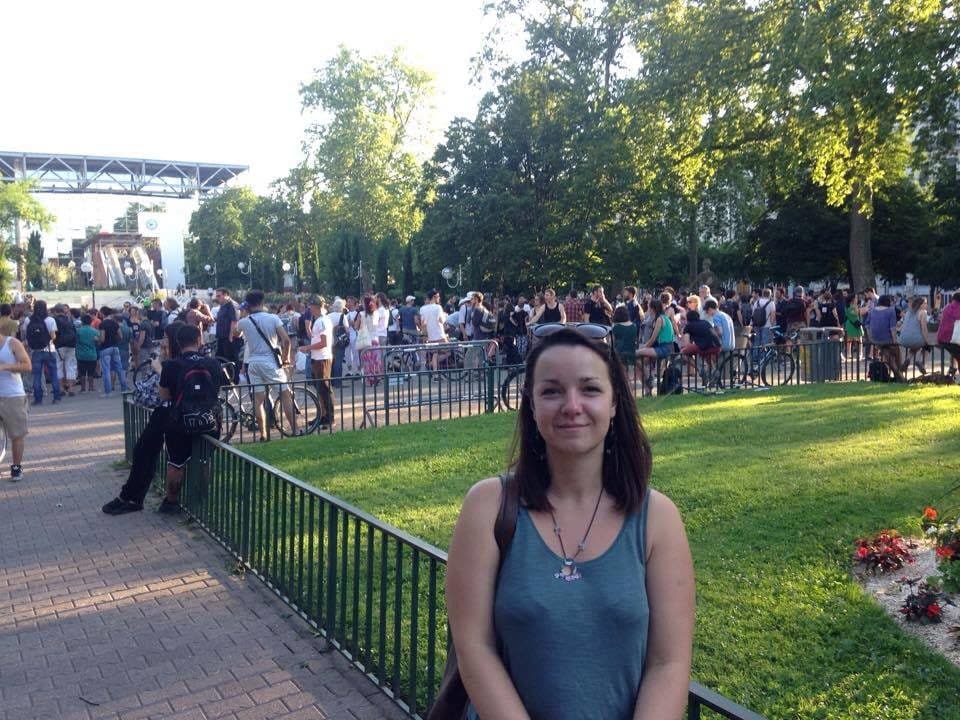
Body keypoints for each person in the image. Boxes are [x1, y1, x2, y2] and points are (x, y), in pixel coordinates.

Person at [445, 327, 694, 720]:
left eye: (590, 389)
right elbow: (474, 648)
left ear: (614, 403)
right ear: (530, 404)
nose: (571, 405)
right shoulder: (487, 507)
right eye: (552, 391)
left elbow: (669, 663)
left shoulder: (657, 520)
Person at [102, 322, 184, 514]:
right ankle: (131, 496)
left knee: (145, 453)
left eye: (165, 337)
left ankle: (131, 497)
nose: (162, 341)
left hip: (168, 414)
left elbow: (166, 389)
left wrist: (158, 369)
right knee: (144, 453)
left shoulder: (174, 363)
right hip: (164, 413)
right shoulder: (168, 359)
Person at [156, 324, 224, 513]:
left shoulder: (171, 365)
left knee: (176, 462)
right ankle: (201, 499)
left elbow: (164, 395)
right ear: (199, 340)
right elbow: (217, 391)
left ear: (177, 342)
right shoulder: (213, 363)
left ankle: (172, 502)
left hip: (179, 422)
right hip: (209, 420)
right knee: (204, 460)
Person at [236, 290, 298, 439]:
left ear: (248, 305)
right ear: (262, 303)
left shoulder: (244, 322)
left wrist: (243, 315)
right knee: (285, 395)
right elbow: (286, 340)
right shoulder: (273, 318)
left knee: (258, 401)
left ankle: (264, 434)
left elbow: (235, 334)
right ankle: (294, 430)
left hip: (253, 363)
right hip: (271, 362)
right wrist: (286, 358)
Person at [299, 295, 336, 429]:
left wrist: (307, 348)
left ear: (316, 306)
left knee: (324, 388)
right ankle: (323, 414)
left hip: (322, 358)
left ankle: (329, 417)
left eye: (311, 306)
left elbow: (324, 342)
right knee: (320, 389)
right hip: (318, 357)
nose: (310, 309)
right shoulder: (320, 320)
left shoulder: (322, 321)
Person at [0, 330, 32, 480]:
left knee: (17, 434)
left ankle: (16, 467)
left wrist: (6, 367)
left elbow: (27, 366)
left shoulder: (12, 343)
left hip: (13, 395)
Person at [23, 300, 62, 405]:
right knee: (53, 374)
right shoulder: (50, 319)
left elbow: (26, 335)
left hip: (35, 351)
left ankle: (38, 399)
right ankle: (56, 397)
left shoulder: (28, 320)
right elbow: (53, 336)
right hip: (49, 350)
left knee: (37, 376)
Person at [868, 294, 904, 382]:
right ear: (888, 302)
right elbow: (892, 328)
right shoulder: (890, 311)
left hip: (876, 339)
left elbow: (867, 325)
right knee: (897, 352)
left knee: (888, 355)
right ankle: (900, 374)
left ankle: (898, 375)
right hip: (887, 339)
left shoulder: (872, 310)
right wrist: (895, 341)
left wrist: (871, 338)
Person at [898, 296, 934, 375]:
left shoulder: (908, 312)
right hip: (914, 339)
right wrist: (927, 341)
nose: (926, 305)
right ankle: (920, 361)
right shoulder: (923, 312)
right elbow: (924, 328)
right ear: (920, 304)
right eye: (925, 303)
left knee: (915, 347)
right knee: (927, 347)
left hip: (903, 339)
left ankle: (907, 359)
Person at [98, 307, 128, 397]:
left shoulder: (102, 324)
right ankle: (124, 388)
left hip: (105, 348)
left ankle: (108, 391)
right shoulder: (115, 323)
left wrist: (97, 339)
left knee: (106, 370)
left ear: (102, 313)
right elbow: (120, 336)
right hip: (115, 347)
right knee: (119, 368)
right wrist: (115, 341)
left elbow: (102, 339)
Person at [52, 303, 78, 397]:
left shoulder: (55, 320)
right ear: (64, 311)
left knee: (59, 366)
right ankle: (71, 388)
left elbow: (53, 333)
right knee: (70, 366)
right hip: (71, 345)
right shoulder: (69, 320)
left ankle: (61, 388)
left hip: (60, 345)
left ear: (55, 311)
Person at [935, 291, 960, 378]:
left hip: (942, 339)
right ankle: (952, 369)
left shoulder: (946, 308)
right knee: (957, 351)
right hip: (952, 340)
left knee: (955, 351)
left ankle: (952, 368)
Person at [611, 305, 638, 381]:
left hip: (619, 354)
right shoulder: (634, 326)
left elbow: (612, 342)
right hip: (631, 354)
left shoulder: (616, 327)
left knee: (620, 378)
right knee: (630, 379)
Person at [75, 314, 99, 393]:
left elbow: (76, 341)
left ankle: (83, 388)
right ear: (90, 321)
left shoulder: (78, 331)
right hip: (92, 354)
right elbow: (98, 342)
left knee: (82, 373)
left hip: (81, 355)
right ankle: (91, 387)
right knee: (91, 372)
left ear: (82, 321)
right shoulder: (95, 331)